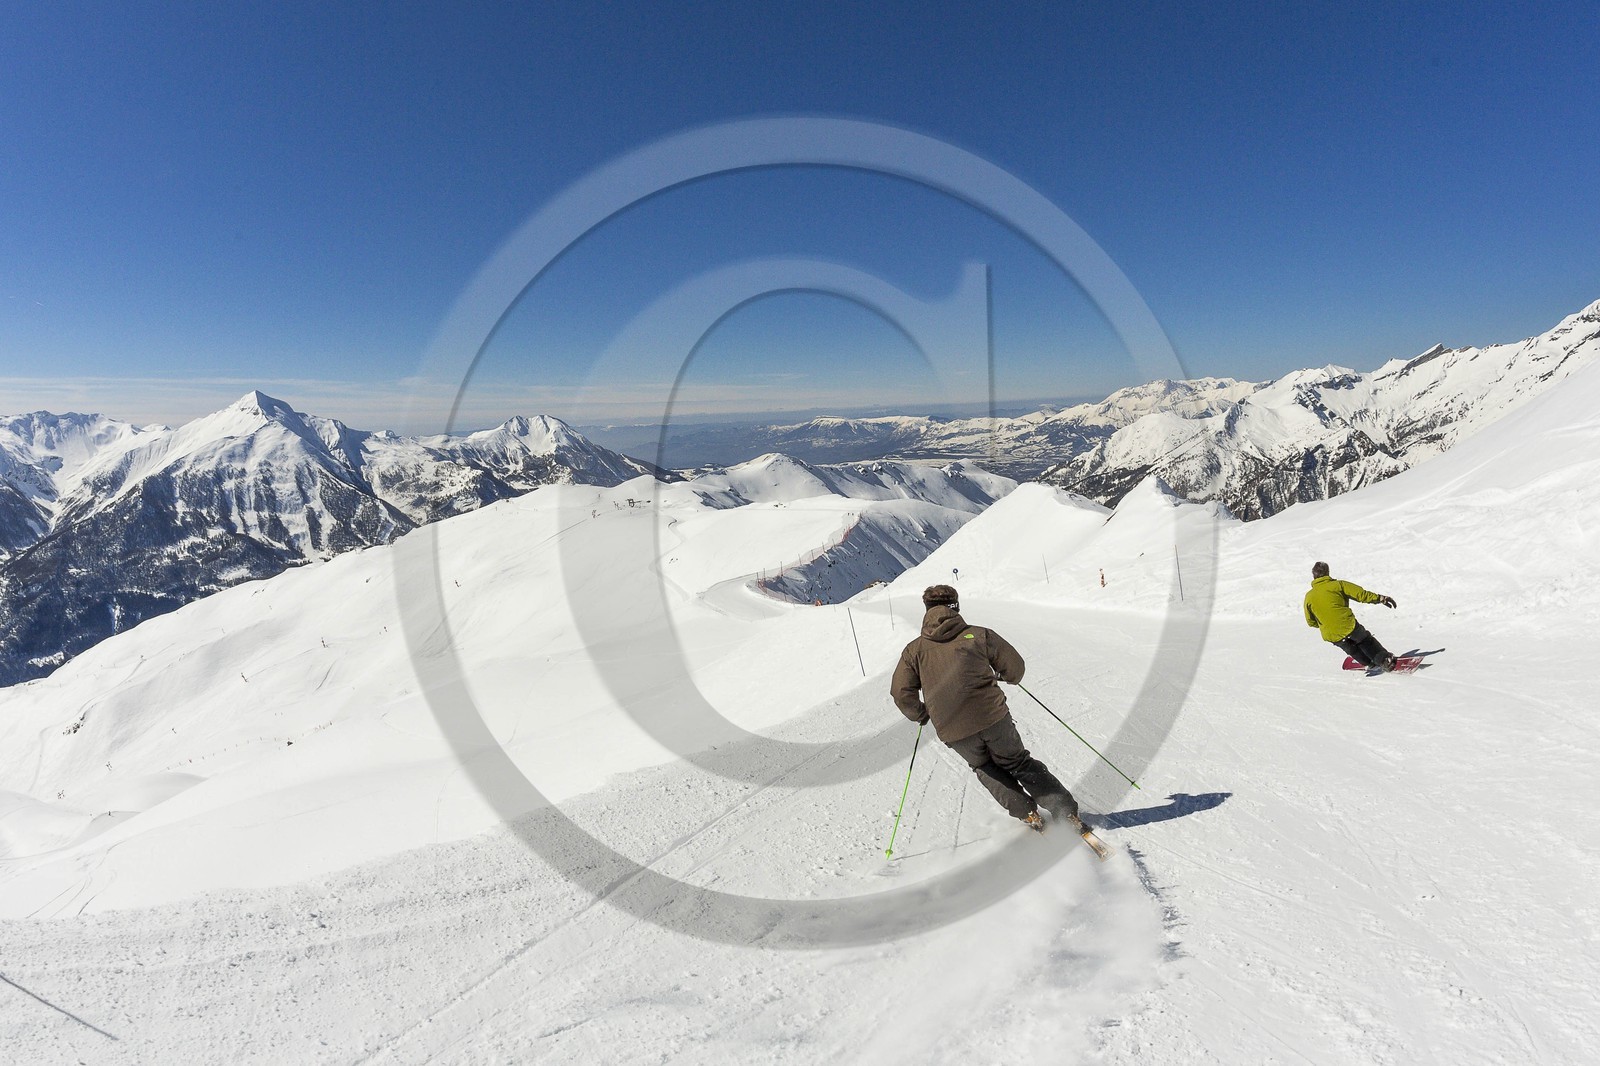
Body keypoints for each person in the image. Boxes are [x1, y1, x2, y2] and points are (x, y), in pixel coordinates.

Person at [891, 584, 1078, 832]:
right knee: (1018, 762)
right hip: (992, 717)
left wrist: (921, 713)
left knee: (985, 768)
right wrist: (1007, 676)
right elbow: (1015, 667)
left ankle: (1028, 813)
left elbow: (901, 692)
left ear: (926, 610)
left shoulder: (913, 651)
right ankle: (1065, 813)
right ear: (955, 606)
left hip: (953, 730)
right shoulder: (979, 635)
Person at [1303, 561, 1399, 670]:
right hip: (1347, 625)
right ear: (1327, 572)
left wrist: (1326, 624)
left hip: (1331, 634)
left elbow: (1310, 621)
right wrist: (1381, 599)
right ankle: (1385, 661)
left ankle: (1369, 663)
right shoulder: (1338, 585)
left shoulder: (1309, 597)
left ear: (1313, 575)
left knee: (1351, 648)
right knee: (1364, 640)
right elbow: (1361, 595)